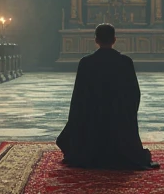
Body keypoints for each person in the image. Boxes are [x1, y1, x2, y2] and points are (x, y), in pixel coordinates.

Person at [56, 24, 158, 170]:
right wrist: (127, 114)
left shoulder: (86, 62)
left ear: (96, 40)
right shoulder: (125, 62)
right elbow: (134, 94)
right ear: (114, 39)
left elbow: (79, 97)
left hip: (92, 120)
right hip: (119, 120)